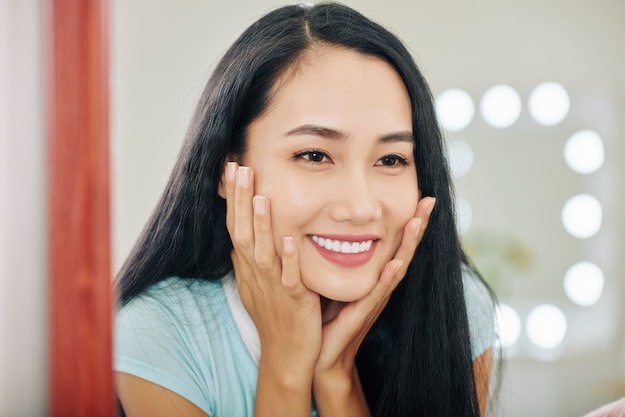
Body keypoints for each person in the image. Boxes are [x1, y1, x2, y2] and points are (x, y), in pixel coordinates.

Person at [114, 2, 497, 416]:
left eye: (391, 159)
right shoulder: (157, 335)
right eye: (314, 155)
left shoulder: (455, 308)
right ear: (228, 170)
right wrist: (286, 365)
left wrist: (337, 377)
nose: (360, 208)